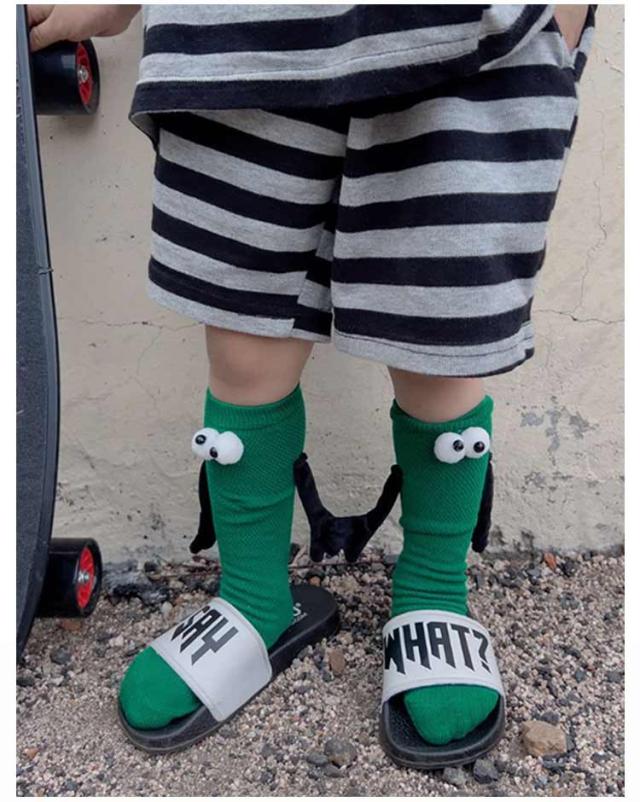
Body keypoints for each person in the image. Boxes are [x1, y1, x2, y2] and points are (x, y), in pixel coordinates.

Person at [28, 3, 594, 767]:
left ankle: (435, 590)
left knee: (442, 333)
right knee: (243, 342)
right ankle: (253, 595)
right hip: (240, 42)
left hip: (468, 41)